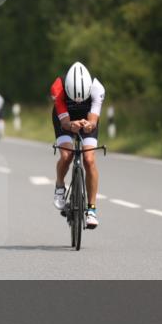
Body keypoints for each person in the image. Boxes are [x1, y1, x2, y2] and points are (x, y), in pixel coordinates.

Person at [50, 62, 105, 228]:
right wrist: (70, 125)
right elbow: (65, 123)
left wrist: (89, 125)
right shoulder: (58, 88)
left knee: (89, 159)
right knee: (67, 155)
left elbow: (93, 120)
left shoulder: (97, 88)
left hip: (87, 118)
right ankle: (60, 185)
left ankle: (91, 210)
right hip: (64, 118)